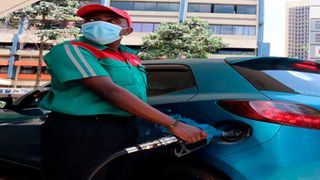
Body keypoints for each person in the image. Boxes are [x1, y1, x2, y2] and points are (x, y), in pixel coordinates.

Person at [39, 4, 207, 180]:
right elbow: (109, 91)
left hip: (125, 127)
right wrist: (174, 125)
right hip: (83, 130)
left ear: (127, 30)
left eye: (111, 21)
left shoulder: (131, 57)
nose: (98, 24)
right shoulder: (72, 49)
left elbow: (135, 95)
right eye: (91, 19)